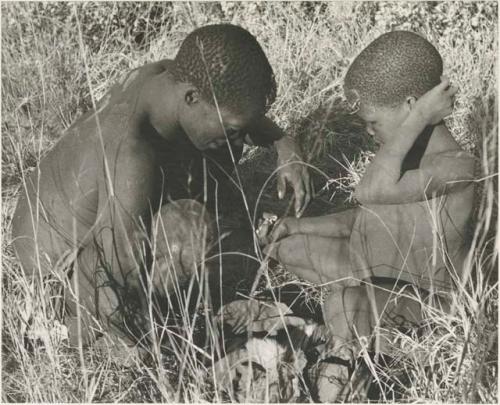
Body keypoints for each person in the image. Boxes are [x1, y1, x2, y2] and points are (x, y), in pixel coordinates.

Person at [11, 24, 312, 347]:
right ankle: (70, 330)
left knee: (222, 171)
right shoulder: (132, 154)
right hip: (58, 278)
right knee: (188, 230)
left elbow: (238, 115)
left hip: (105, 226)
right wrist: (154, 346)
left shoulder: (168, 78)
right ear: (192, 97)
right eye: (234, 128)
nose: (242, 138)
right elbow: (106, 278)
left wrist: (285, 144)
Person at [262, 31, 475, 401]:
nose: (369, 131)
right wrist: (295, 225)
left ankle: (352, 358)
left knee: (342, 302)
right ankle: (356, 319)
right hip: (383, 275)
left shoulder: (457, 168)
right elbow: (365, 215)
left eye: (373, 122)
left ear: (412, 107)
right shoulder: (403, 160)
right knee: (290, 248)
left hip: (430, 305)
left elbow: (370, 192)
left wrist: (417, 118)